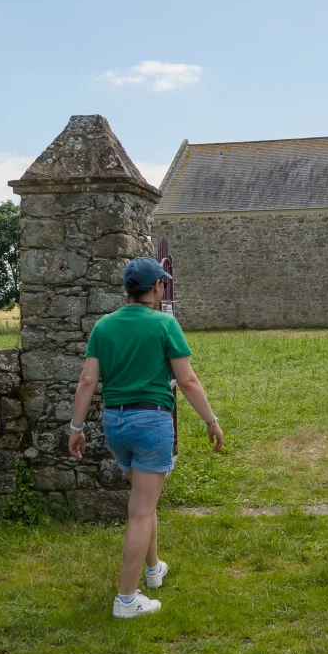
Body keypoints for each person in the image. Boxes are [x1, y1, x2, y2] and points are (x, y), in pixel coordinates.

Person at [68, 257, 223, 619]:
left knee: (143, 499)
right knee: (141, 512)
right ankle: (126, 600)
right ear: (156, 288)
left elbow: (87, 381)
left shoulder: (104, 326)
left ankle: (153, 570)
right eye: (161, 285)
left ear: (127, 289)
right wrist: (211, 420)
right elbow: (187, 381)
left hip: (115, 424)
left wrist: (76, 429)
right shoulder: (164, 324)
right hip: (151, 423)